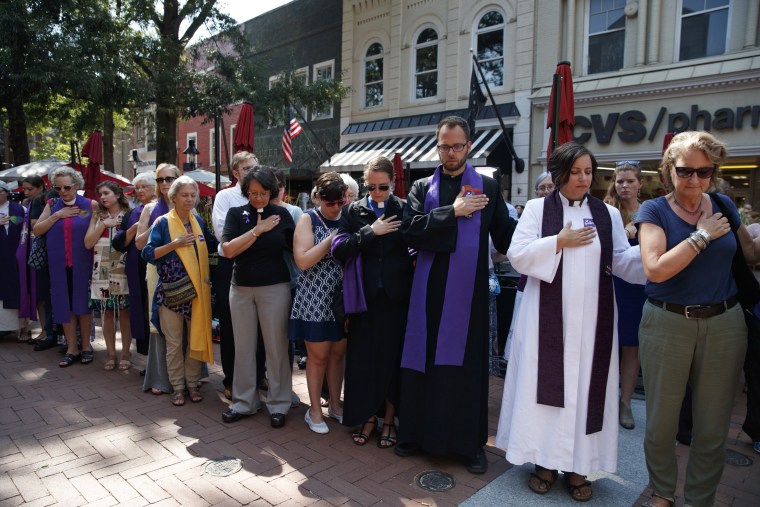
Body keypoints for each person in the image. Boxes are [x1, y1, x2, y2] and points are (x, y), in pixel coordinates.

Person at [496, 143, 644, 500]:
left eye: (588, 172)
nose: (583, 178)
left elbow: (623, 260)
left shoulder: (606, 214)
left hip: (594, 322)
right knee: (545, 389)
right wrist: (557, 242)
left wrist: (657, 253)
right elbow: (516, 255)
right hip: (546, 320)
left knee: (586, 390)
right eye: (576, 172)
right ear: (560, 174)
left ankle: (580, 467)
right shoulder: (536, 208)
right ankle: (544, 462)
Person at [636, 130, 760, 507]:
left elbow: (750, 254)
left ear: (714, 173)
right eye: (686, 171)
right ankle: (662, 492)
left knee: (712, 426)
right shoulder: (653, 211)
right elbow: (655, 269)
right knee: (661, 424)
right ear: (668, 170)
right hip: (667, 322)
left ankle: (699, 499)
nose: (695, 180)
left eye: (704, 172)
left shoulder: (723, 203)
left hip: (724, 323)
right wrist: (700, 236)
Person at [396, 115, 516, 474]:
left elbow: (508, 235)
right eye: (444, 146)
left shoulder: (488, 189)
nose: (450, 152)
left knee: (466, 368)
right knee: (424, 359)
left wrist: (549, 237)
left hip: (468, 294)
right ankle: (415, 434)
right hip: (428, 290)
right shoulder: (421, 188)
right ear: (438, 146)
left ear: (469, 146)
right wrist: (455, 211)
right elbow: (410, 231)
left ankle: (469, 445)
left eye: (457, 146)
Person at [332, 156, 414, 448]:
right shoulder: (354, 210)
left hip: (397, 296)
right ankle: (367, 417)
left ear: (392, 183)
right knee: (363, 360)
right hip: (363, 298)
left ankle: (389, 419)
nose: (377, 193)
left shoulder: (404, 208)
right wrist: (370, 232)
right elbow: (338, 248)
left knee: (394, 359)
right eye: (372, 187)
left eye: (383, 187)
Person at [220, 168, 295, 427]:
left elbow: (295, 248)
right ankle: (243, 402)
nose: (259, 198)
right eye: (253, 193)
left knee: (276, 347)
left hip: (275, 287)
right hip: (240, 288)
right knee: (243, 347)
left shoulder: (282, 214)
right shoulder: (235, 214)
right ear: (246, 191)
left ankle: (279, 404)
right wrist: (257, 230)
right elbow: (228, 250)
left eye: (263, 193)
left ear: (272, 191)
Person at [143, 176, 217, 406]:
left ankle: (193, 384)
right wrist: (174, 244)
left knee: (195, 338)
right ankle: (177, 387)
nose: (190, 199)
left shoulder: (198, 222)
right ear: (172, 197)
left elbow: (214, 245)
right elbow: (147, 253)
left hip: (198, 293)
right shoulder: (162, 223)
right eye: (184, 195)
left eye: (193, 195)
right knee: (174, 343)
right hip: (171, 294)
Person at [290, 172, 347, 434]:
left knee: (338, 354)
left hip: (342, 297)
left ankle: (335, 404)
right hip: (314, 298)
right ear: (318, 199)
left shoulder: (349, 216)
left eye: (340, 202)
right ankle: (314, 411)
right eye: (330, 203)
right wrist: (330, 239)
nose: (336, 207)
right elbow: (302, 261)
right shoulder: (307, 219)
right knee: (319, 356)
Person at [32, 167, 95, 367]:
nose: (63, 191)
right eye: (57, 188)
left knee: (83, 306)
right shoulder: (52, 204)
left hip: (83, 264)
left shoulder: (90, 204)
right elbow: (37, 229)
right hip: (58, 264)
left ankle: (86, 346)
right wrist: (58, 215)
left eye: (67, 187)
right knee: (63, 304)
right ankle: (71, 348)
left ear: (77, 185)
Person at [604, 160, 647, 430]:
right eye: (620, 181)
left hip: (639, 288)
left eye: (630, 181)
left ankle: (626, 402)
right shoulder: (606, 211)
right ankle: (605, 399)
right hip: (609, 283)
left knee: (632, 346)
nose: (625, 186)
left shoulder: (650, 212)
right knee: (607, 343)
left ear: (640, 184)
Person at [211, 151, 257, 400]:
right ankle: (230, 379)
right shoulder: (225, 196)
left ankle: (258, 376)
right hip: (231, 265)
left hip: (260, 266)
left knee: (260, 326)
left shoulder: (265, 194)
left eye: (254, 167)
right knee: (230, 326)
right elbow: (223, 236)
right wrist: (257, 235)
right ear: (236, 173)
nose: (251, 172)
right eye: (247, 169)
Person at [136, 163, 181, 395]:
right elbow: (138, 243)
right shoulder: (150, 208)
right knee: (160, 321)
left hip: (186, 270)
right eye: (161, 179)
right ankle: (161, 378)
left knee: (186, 319)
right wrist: (157, 225)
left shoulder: (189, 203)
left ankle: (189, 377)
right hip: (158, 270)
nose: (165, 184)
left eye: (169, 178)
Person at [503, 171, 556, 363]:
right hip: (530, 283)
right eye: (541, 188)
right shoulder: (531, 212)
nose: (546, 191)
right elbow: (519, 250)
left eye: (550, 187)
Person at [85, 181, 132, 371]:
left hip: (122, 271)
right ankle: (111, 353)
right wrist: (103, 224)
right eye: (100, 194)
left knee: (125, 314)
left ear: (118, 194)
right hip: (101, 273)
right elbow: (88, 243)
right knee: (107, 314)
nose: (102, 197)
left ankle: (126, 352)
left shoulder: (129, 215)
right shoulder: (98, 216)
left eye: (106, 193)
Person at [112, 172, 155, 359]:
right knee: (141, 310)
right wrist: (134, 228)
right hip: (136, 266)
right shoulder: (132, 212)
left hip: (155, 264)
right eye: (137, 187)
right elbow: (118, 242)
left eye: (144, 186)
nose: (140, 191)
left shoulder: (163, 209)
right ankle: (148, 359)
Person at [17, 177, 45, 342]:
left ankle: (46, 331)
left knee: (40, 294)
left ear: (40, 187)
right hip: (31, 250)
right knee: (36, 293)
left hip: (39, 252)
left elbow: (35, 226)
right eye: (24, 189)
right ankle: (43, 330)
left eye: (30, 189)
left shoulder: (40, 202)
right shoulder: (28, 203)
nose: (26, 193)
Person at [0, 181, 25, 339]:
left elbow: (24, 227)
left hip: (13, 256)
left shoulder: (19, 209)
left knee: (15, 288)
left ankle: (18, 327)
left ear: (7, 192)